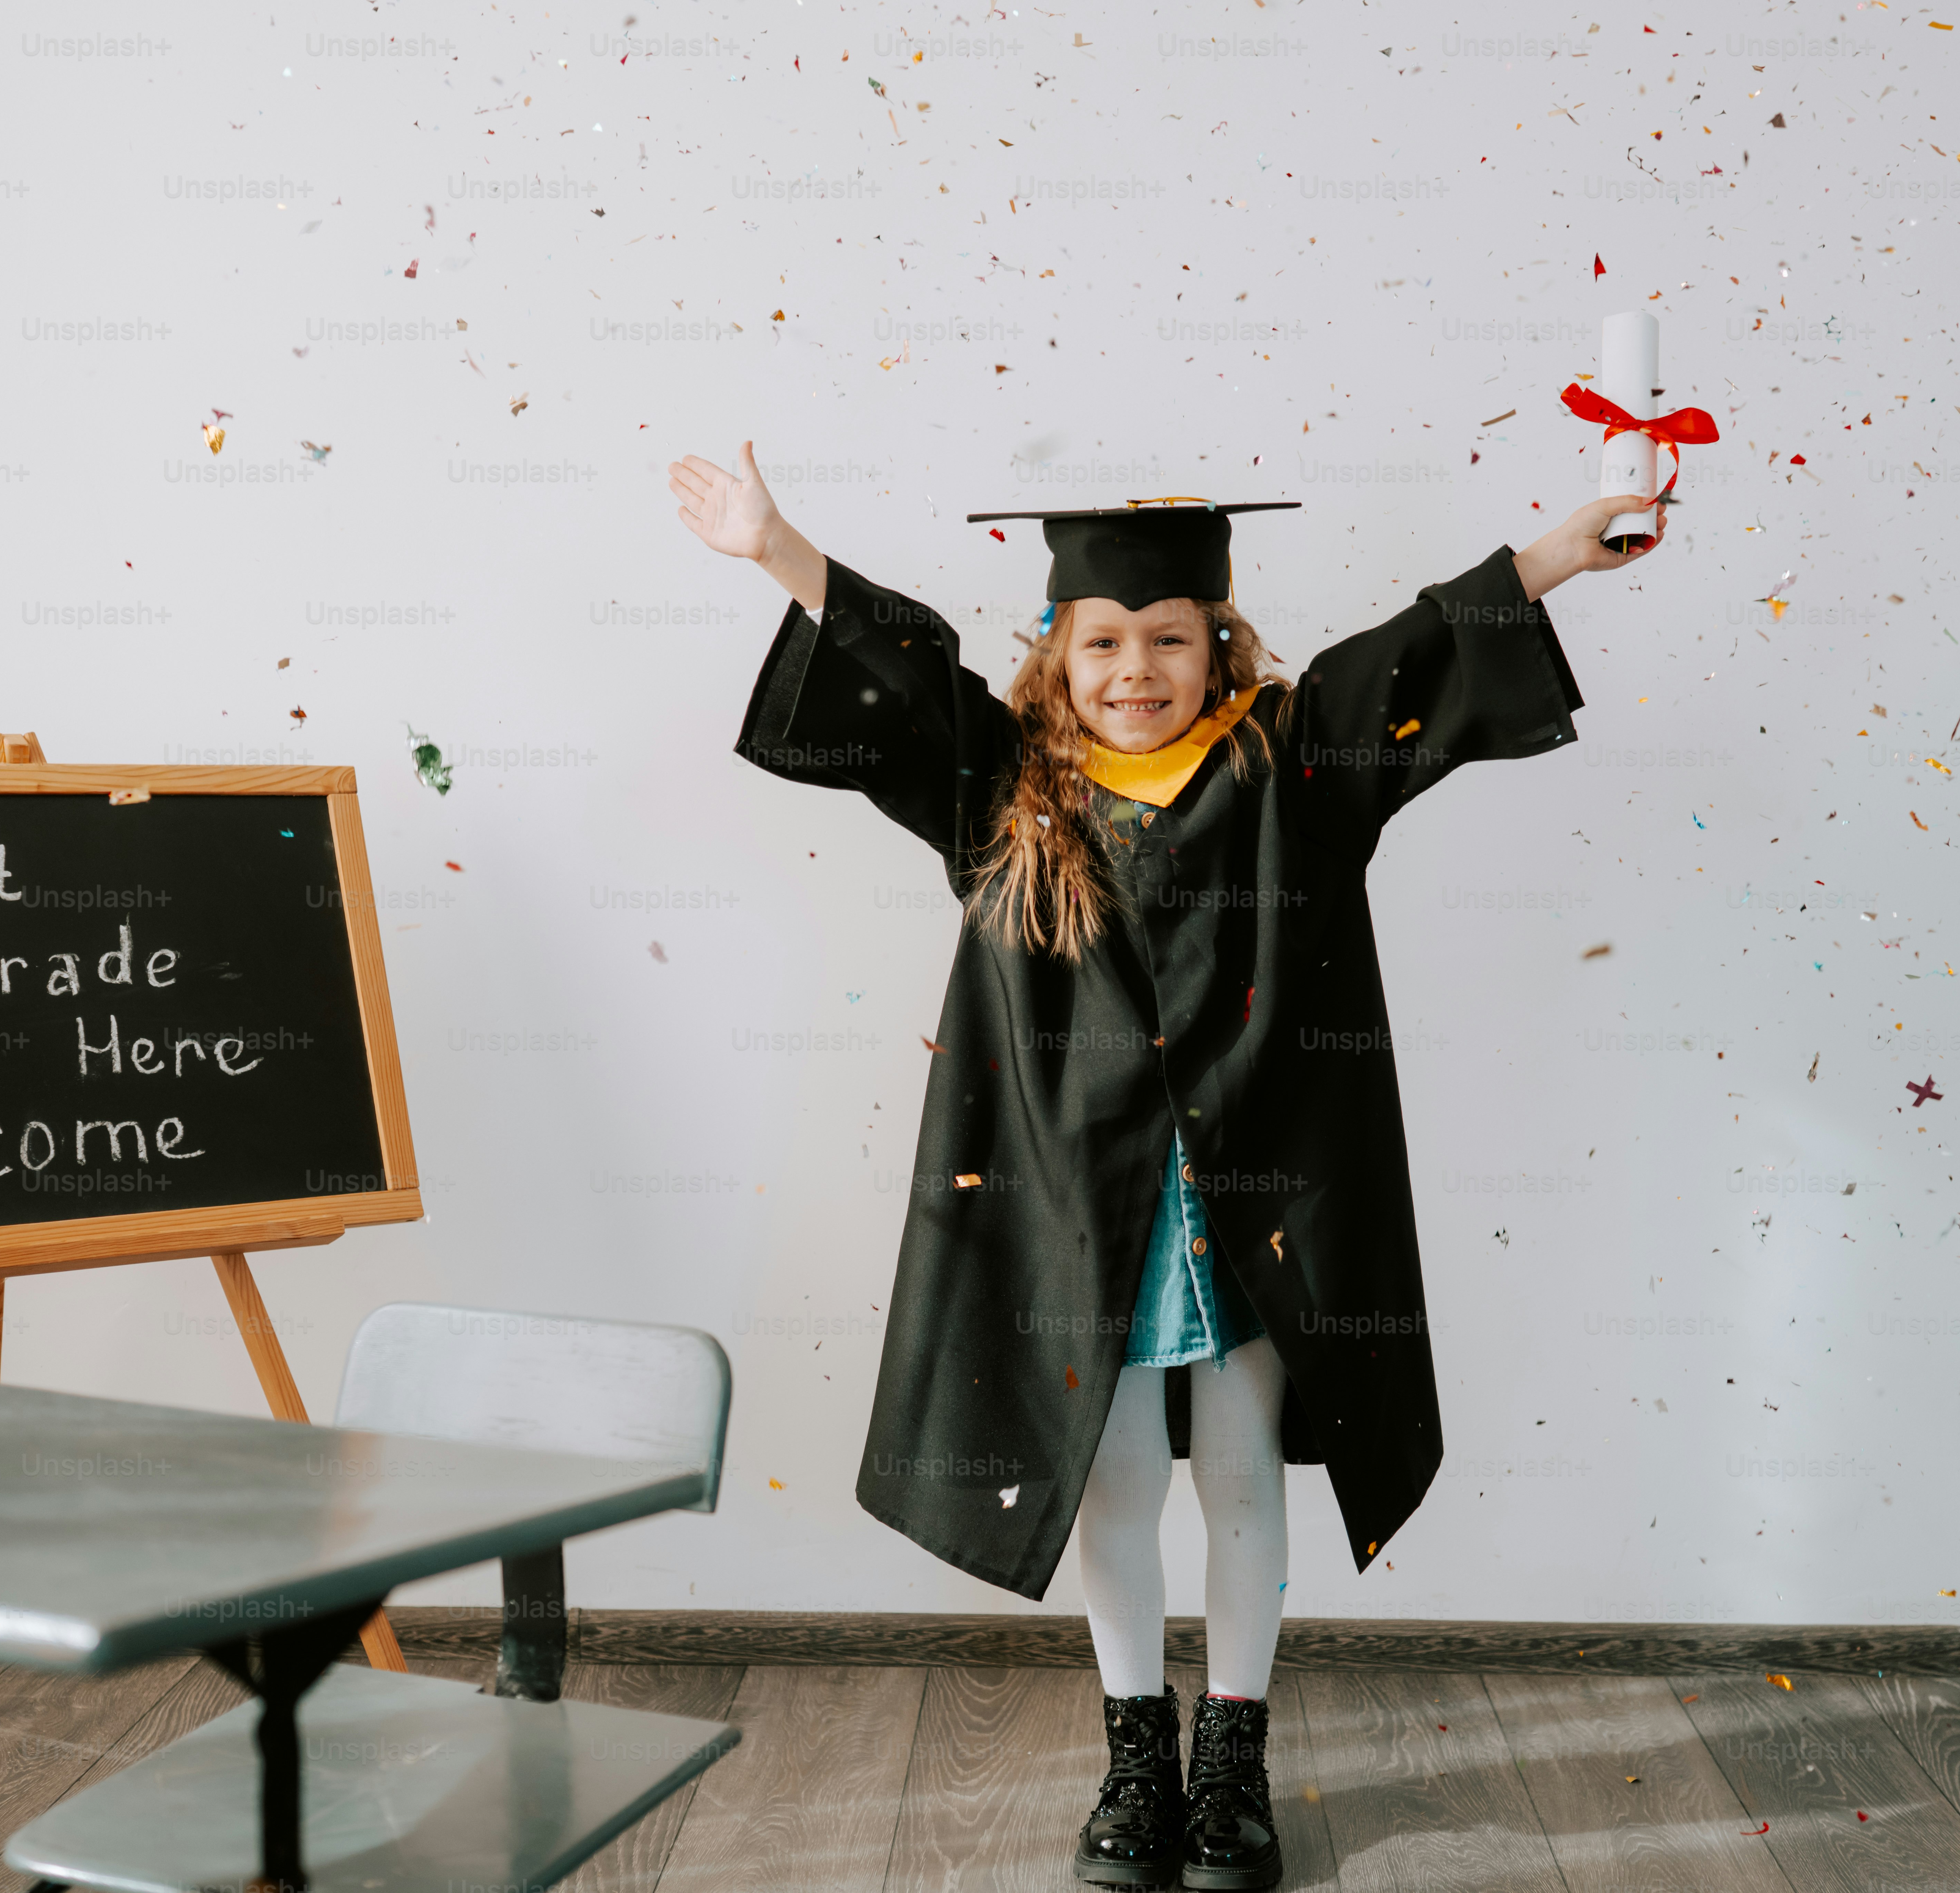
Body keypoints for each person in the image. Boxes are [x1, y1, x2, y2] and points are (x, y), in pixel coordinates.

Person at [669, 448, 1663, 1890]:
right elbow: (893, 674)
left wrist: (1552, 559)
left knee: (1246, 1477)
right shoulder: (1005, 788)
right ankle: (1137, 1752)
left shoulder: (1293, 764)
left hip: (1252, 1206)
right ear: (1060, 654)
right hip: (1088, 1212)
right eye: (1106, 643)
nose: (1138, 668)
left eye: (1171, 640)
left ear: (1221, 643)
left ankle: (1232, 1761)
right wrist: (779, 549)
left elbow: (1413, 655)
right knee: (1118, 1484)